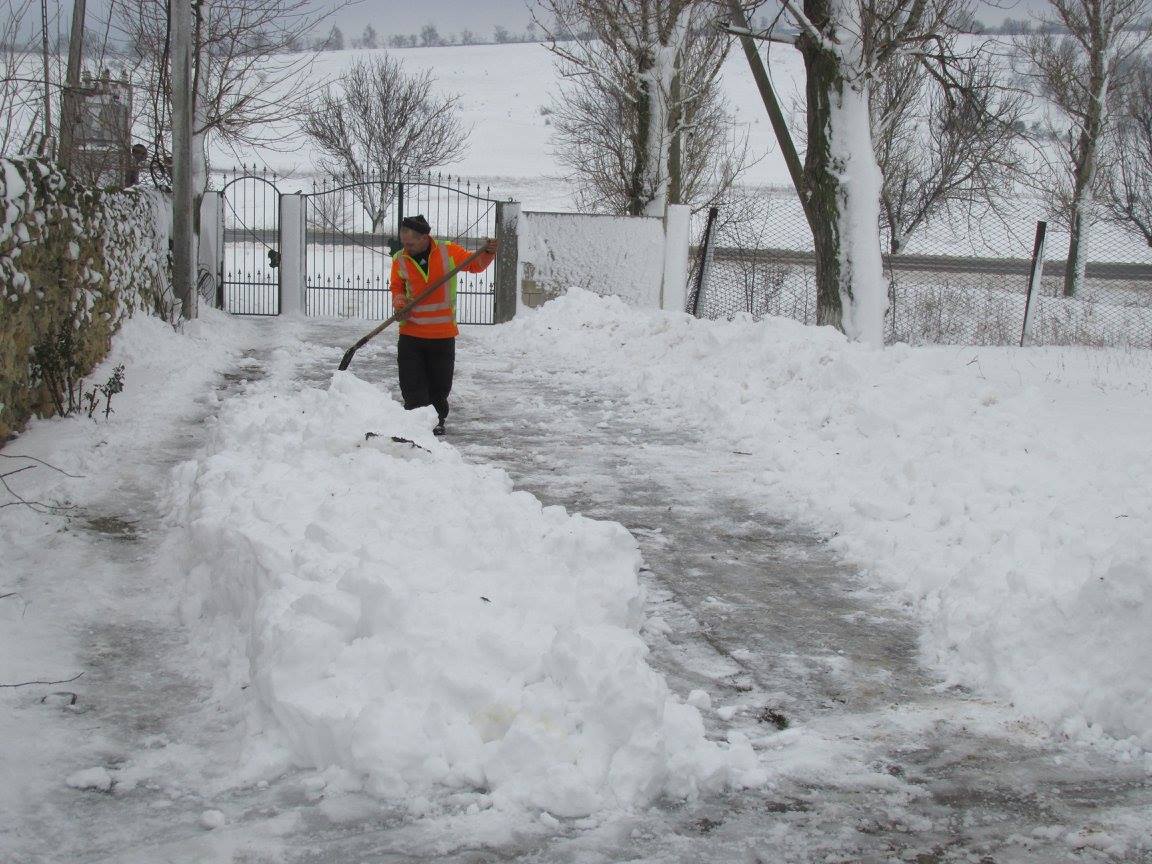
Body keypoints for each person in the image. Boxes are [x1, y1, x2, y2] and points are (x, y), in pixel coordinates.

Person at [390, 215, 498, 436]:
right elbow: (397, 287)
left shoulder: (448, 251)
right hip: (411, 333)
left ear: (424, 238)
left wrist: (488, 252)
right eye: (404, 242)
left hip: (442, 334)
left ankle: (437, 421)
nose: (406, 247)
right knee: (411, 382)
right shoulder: (400, 259)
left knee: (439, 385)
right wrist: (400, 303)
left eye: (411, 243)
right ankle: (415, 422)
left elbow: (475, 265)